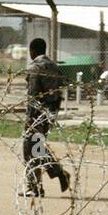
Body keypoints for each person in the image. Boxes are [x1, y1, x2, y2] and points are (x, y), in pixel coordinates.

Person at [23, 36, 71, 196]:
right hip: (50, 112)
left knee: (29, 148)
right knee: (38, 146)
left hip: (37, 114)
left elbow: (33, 95)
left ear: (32, 51)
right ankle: (55, 173)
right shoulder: (53, 66)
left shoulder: (35, 67)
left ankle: (35, 186)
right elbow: (62, 86)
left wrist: (30, 118)